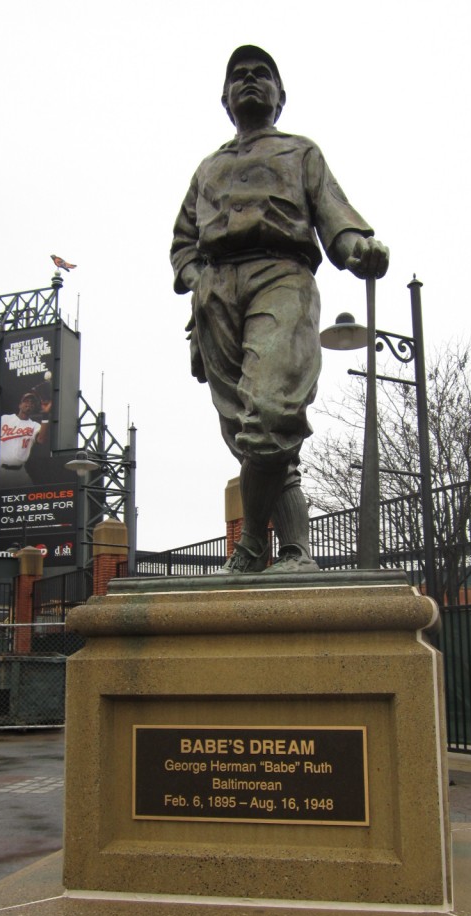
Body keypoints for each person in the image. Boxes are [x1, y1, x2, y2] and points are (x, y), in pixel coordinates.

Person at [171, 44, 389, 574]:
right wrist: (199, 284)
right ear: (224, 99)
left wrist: (358, 247)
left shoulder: (301, 153)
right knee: (247, 431)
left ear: (279, 96)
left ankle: (248, 549)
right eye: (239, 76)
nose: (249, 80)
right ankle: (294, 551)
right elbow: (182, 244)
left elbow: (334, 213)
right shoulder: (208, 168)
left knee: (270, 412)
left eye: (261, 74)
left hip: (281, 275)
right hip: (217, 291)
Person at [0, 393, 49, 487]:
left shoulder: (34, 426)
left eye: (32, 403)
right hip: (0, 469)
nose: (29, 404)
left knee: (28, 498)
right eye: (26, 401)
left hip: (19, 471)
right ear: (20, 405)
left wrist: (45, 415)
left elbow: (41, 439)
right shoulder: (5, 419)